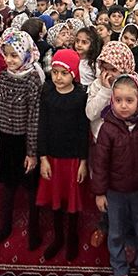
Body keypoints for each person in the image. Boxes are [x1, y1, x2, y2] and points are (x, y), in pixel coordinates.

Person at [92, 74, 138, 276]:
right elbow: (99, 162)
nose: (123, 106)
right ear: (112, 100)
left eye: (129, 100)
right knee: (117, 231)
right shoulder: (108, 127)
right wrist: (100, 192)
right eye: (118, 100)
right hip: (115, 191)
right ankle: (119, 266)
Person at [0, 30, 44, 250]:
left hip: (24, 142)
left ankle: (35, 229)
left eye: (14, 56)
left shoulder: (32, 79)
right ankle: (5, 226)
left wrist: (32, 152)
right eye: (6, 55)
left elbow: (34, 117)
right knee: (7, 185)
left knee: (31, 188)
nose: (9, 60)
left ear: (26, 55)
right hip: (6, 140)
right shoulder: (3, 76)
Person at [37, 49, 90, 261]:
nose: (58, 78)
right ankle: (58, 237)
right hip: (52, 157)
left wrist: (83, 162)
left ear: (74, 75)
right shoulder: (47, 93)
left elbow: (82, 131)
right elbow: (42, 127)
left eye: (64, 73)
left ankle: (72, 236)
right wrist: (42, 158)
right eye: (55, 72)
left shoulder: (80, 97)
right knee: (56, 200)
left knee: (72, 202)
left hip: (73, 158)